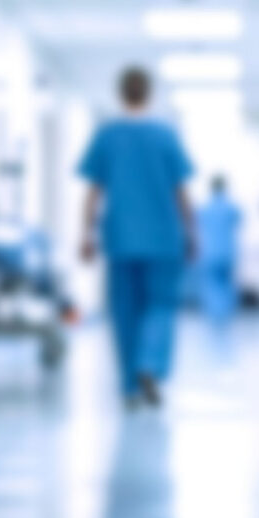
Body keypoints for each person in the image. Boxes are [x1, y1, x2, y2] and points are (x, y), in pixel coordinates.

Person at [78, 66, 195, 409]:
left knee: (124, 312)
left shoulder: (107, 136)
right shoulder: (166, 136)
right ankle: (150, 363)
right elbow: (181, 192)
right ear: (149, 93)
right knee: (160, 306)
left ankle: (129, 387)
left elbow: (94, 192)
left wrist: (86, 234)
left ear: (120, 93)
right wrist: (191, 231)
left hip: (121, 238)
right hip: (163, 238)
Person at [196, 176, 243, 327]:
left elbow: (197, 224)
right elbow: (237, 222)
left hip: (210, 251)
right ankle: (226, 313)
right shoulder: (231, 208)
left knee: (211, 284)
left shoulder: (204, 208)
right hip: (227, 251)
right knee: (227, 283)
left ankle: (214, 313)